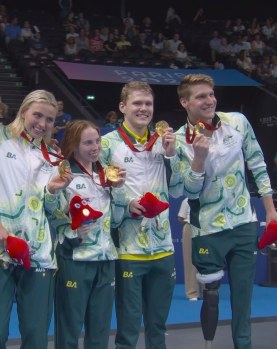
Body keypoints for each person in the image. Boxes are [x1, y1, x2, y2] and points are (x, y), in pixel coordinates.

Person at [170, 73, 277, 349]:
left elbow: (257, 163)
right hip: (208, 228)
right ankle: (208, 344)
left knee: (243, 298)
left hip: (244, 222)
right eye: (201, 96)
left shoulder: (237, 122)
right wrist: (199, 159)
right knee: (210, 295)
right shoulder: (178, 141)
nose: (209, 101)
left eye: (211, 94)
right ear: (185, 102)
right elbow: (185, 192)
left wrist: (270, 210)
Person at [0, 89, 72, 349]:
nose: (42, 124)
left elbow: (55, 211)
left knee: (35, 334)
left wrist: (54, 191)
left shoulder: (54, 157)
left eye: (50, 120)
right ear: (23, 111)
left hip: (38, 252)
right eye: (37, 115)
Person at [99, 81, 177, 349]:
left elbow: (180, 188)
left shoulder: (164, 142)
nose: (144, 109)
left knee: (158, 325)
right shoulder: (107, 144)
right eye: (137, 103)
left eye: (148, 104)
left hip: (163, 247)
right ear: (122, 107)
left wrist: (172, 155)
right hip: (128, 249)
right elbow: (100, 192)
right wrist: (126, 202)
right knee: (129, 325)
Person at [50, 120, 127, 349]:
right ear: (74, 145)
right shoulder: (65, 174)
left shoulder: (106, 174)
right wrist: (72, 232)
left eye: (98, 141)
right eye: (88, 143)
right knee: (69, 328)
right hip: (76, 259)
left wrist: (120, 188)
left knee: (100, 329)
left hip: (106, 260)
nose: (95, 147)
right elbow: (53, 214)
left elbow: (117, 219)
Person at [178, 197, 200, 301]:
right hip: (190, 227)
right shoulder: (186, 201)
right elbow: (181, 218)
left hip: (207, 229)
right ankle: (192, 293)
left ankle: (206, 290)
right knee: (190, 261)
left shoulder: (209, 197)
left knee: (207, 260)